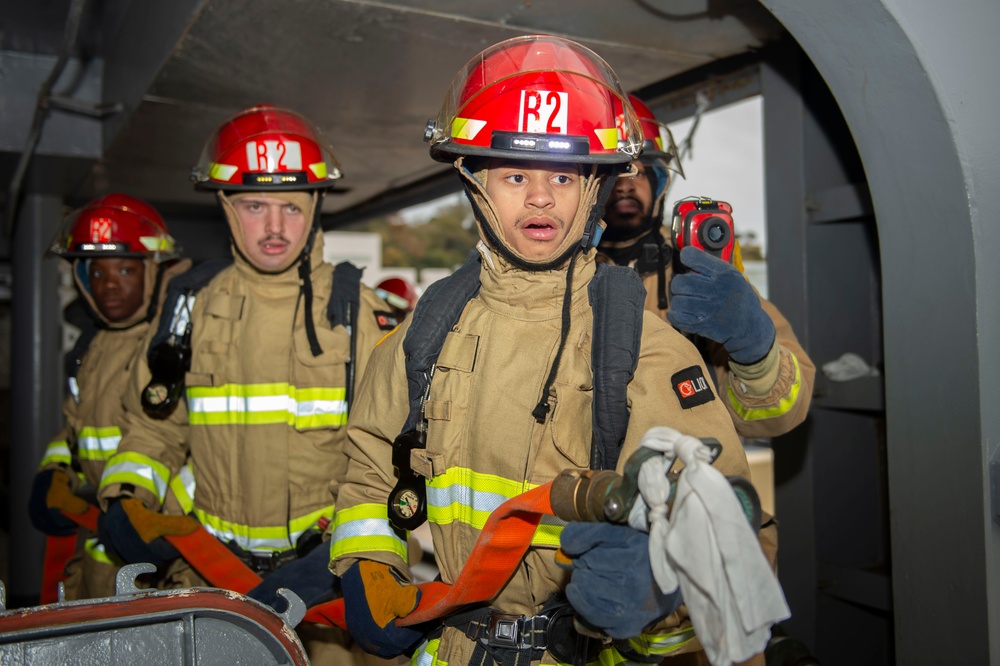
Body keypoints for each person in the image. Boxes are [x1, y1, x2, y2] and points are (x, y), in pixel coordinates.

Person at [330, 35, 754, 665]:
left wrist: (659, 588)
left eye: (563, 174)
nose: (539, 197)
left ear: (594, 188)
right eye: (515, 173)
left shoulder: (640, 343)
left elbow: (720, 520)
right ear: (474, 182)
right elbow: (370, 462)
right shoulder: (428, 329)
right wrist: (369, 561)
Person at [95, 106, 397, 660]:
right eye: (255, 206)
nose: (275, 227)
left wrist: (351, 554)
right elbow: (153, 429)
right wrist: (126, 498)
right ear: (226, 208)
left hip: (320, 589)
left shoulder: (360, 314)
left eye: (290, 205)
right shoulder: (188, 306)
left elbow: (385, 457)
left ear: (315, 206)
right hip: (205, 575)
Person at [599, 95, 815, 440]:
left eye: (640, 170)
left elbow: (784, 413)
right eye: (615, 171)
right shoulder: (562, 273)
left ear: (660, 184)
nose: (627, 183)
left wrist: (755, 355)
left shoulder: (701, 270)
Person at [29, 194, 191, 601]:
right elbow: (77, 430)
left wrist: (145, 511)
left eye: (125, 268)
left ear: (154, 272)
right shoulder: (92, 345)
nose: (110, 285)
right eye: (96, 273)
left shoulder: (174, 345)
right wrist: (56, 472)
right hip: (101, 556)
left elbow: (194, 448)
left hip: (160, 553)